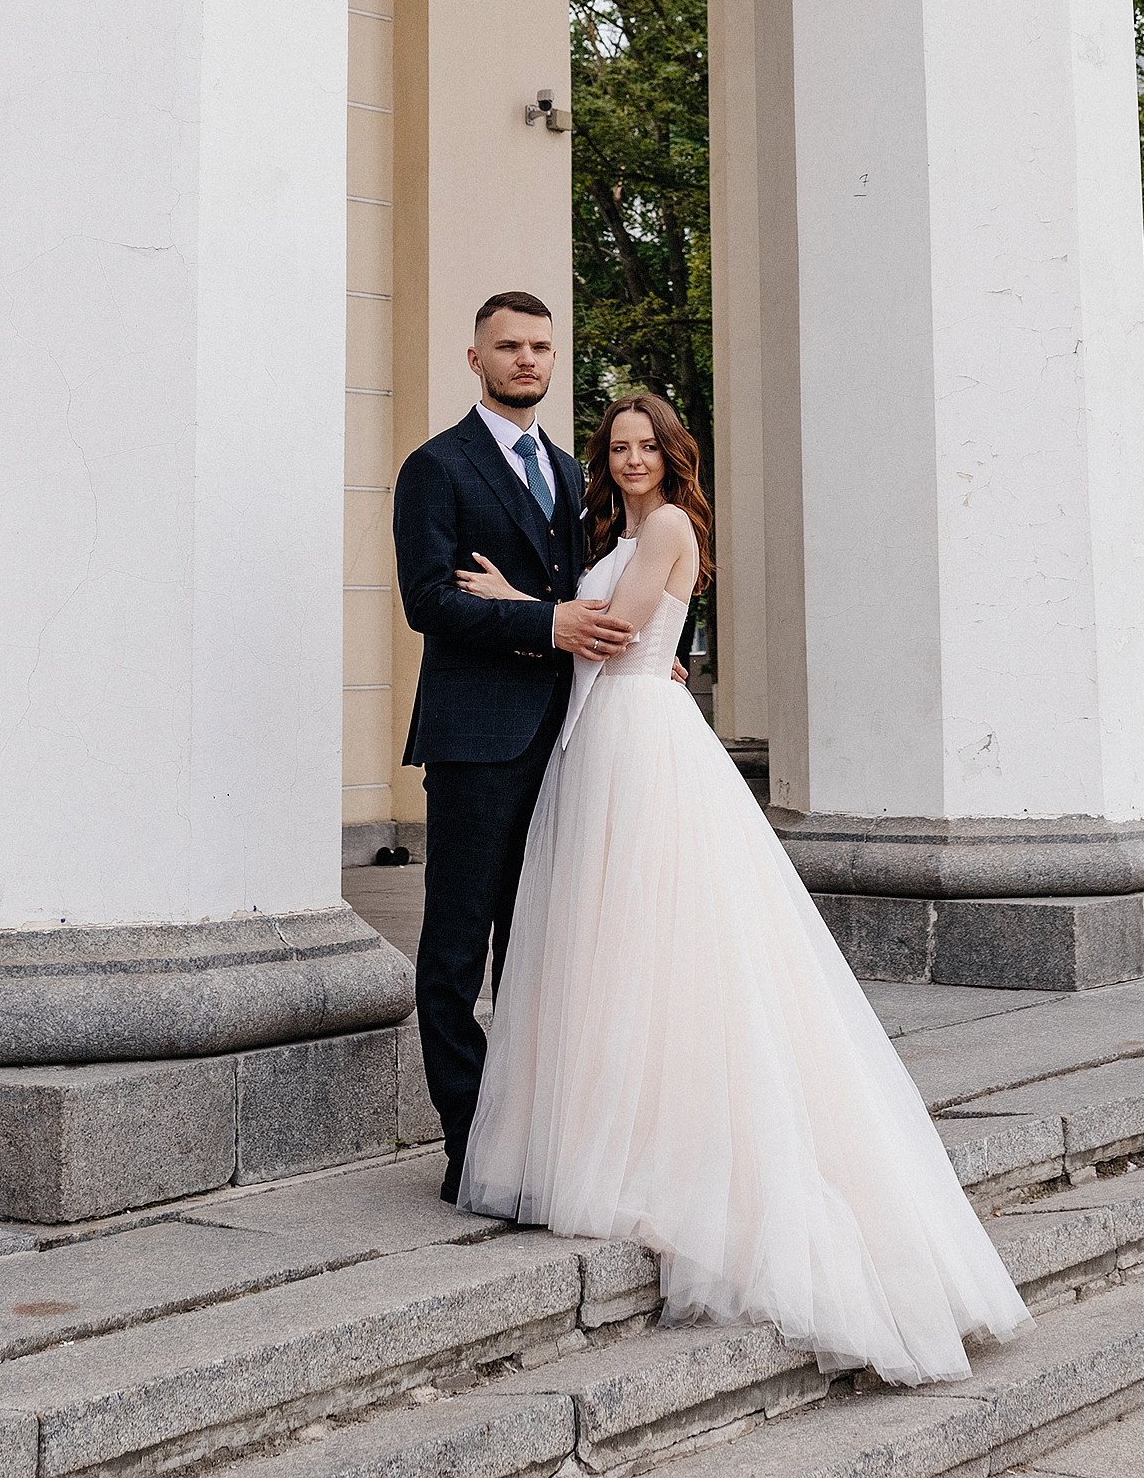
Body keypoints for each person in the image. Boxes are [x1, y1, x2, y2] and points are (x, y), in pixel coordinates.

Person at [454, 390, 1032, 1387]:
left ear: (671, 456)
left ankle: (660, 1148)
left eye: (646, 445)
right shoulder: (620, 528)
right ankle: (612, 1126)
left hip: (638, 740)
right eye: (617, 447)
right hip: (607, 736)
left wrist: (508, 598)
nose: (631, 458)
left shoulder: (669, 523)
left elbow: (614, 631)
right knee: (611, 946)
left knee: (657, 936)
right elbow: (625, 629)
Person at [390, 292, 631, 1201]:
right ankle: (471, 1148)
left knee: (533, 946)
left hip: (563, 737)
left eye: (540, 346)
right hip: (476, 739)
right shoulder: (436, 468)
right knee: (456, 949)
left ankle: (528, 1134)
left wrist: (632, 650)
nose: (527, 360)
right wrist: (543, 620)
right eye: (509, 347)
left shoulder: (572, 473)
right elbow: (429, 603)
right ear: (474, 358)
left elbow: (592, 595)